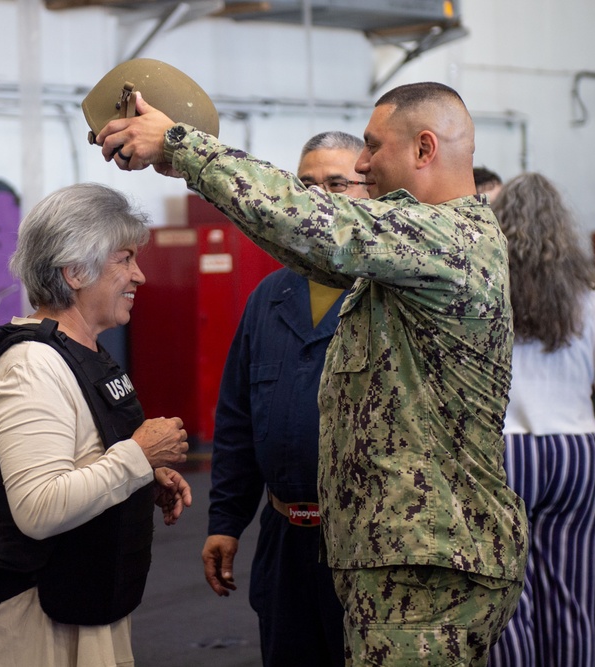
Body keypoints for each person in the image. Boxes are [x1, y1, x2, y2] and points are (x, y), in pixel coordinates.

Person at [95, 81, 528, 666]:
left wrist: (179, 144)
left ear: (425, 149)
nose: (363, 163)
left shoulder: (451, 238)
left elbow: (313, 228)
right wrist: (186, 169)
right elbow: (303, 243)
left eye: (374, 147)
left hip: (427, 565)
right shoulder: (407, 254)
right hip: (394, 556)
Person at [0, 183, 193, 667]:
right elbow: (40, 508)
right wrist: (137, 458)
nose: (140, 275)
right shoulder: (32, 367)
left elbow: (75, 460)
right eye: (124, 259)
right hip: (21, 625)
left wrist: (141, 480)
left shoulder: (79, 354)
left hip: (73, 605)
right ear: (74, 271)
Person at [201, 130, 367, 667]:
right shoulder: (268, 299)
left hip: (368, 548)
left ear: (370, 192)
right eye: (308, 185)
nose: (319, 198)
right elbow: (237, 421)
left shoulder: (389, 296)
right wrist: (226, 521)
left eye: (338, 183)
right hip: (283, 543)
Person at [486, 173, 595, 667]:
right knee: (571, 593)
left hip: (504, 453)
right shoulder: (587, 295)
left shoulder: (486, 288)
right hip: (576, 452)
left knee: (509, 595)